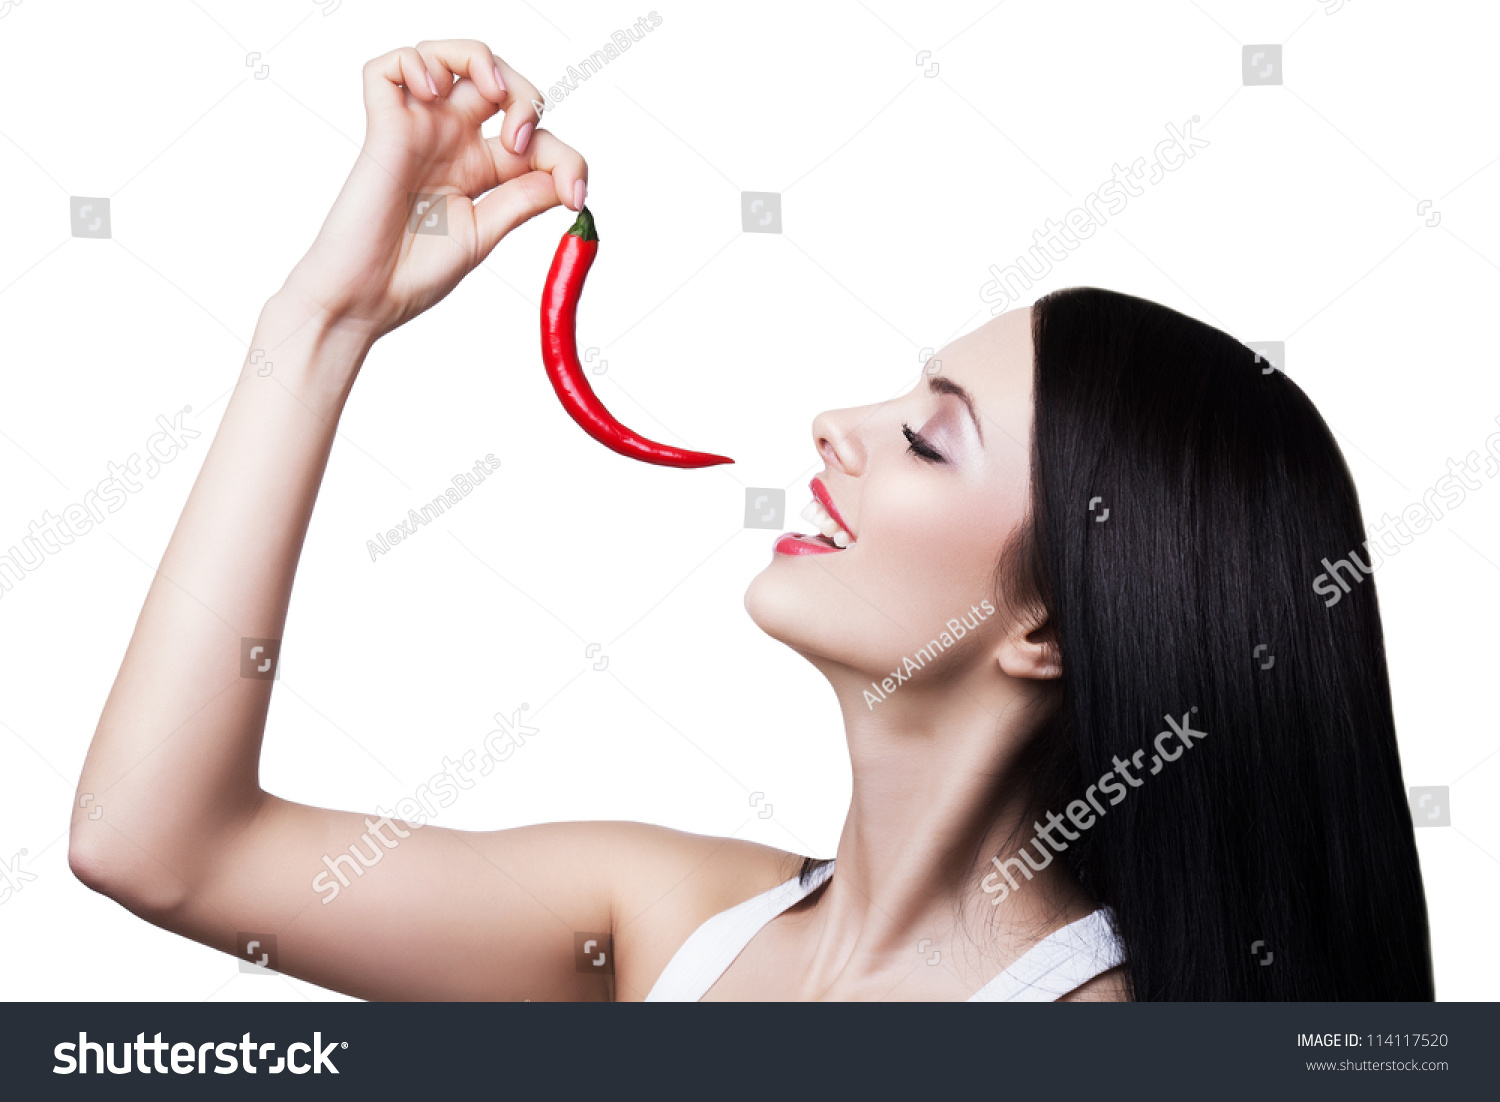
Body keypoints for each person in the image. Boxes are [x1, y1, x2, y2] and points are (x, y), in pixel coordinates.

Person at [70, 39, 1434, 1002]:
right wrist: (325, 319)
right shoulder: (667, 926)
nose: (838, 425)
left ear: (1043, 626)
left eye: (927, 434)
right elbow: (159, 844)